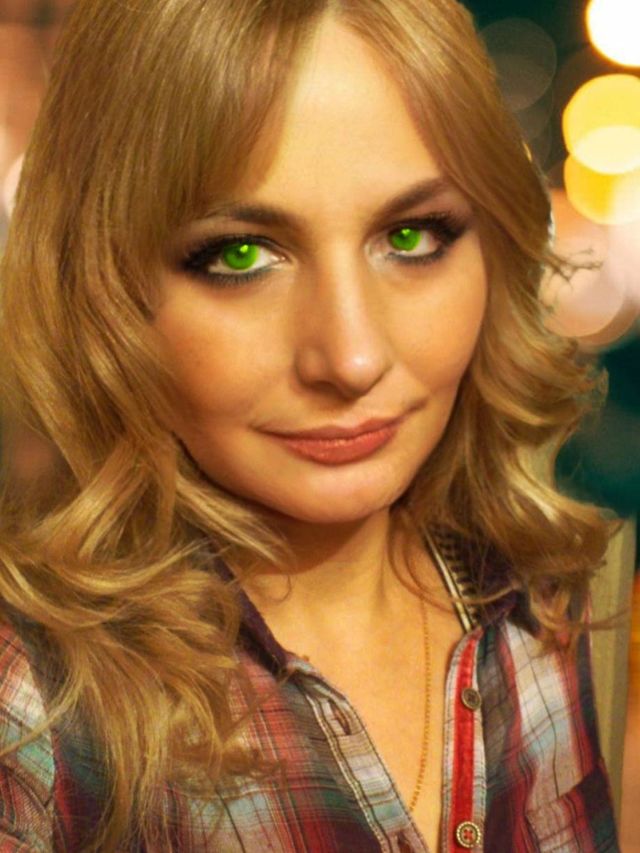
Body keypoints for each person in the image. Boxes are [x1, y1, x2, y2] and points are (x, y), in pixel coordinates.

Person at [0, 0, 622, 850]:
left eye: (412, 236)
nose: (352, 357)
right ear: (104, 288)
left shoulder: (555, 610)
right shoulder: (34, 713)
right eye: (242, 254)